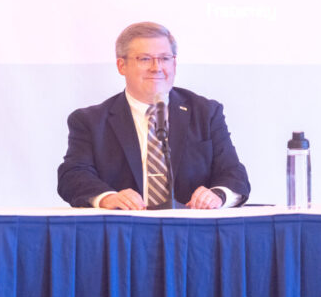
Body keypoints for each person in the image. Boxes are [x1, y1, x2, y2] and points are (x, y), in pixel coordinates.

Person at [57, 21, 250, 209]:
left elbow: (234, 174)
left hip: (191, 230)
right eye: (145, 59)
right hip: (125, 231)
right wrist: (108, 198)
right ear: (121, 66)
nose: (156, 67)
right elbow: (73, 176)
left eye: (165, 58)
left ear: (174, 63)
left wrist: (218, 195)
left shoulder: (206, 113)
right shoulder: (90, 121)